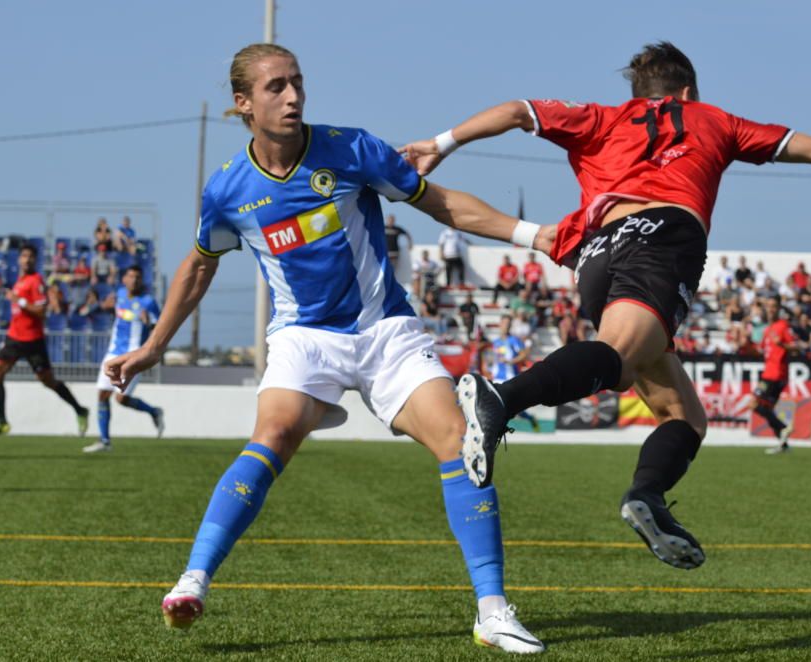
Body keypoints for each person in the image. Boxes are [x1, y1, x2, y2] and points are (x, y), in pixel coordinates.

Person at [401, 40, 811, 570]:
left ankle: (648, 498)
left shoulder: (601, 118)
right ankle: (500, 399)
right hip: (663, 236)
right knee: (616, 355)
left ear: (640, 91)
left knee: (684, 416)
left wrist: (441, 143)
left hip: (593, 253)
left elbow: (518, 111)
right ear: (688, 93)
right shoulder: (715, 120)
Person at [103, 44, 544, 653]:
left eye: (297, 83)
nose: (292, 97)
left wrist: (535, 235)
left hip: (384, 331)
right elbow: (199, 267)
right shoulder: (228, 191)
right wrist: (154, 346)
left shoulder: (352, 148)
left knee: (458, 439)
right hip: (305, 338)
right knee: (275, 433)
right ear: (243, 103)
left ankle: (492, 612)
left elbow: (441, 205)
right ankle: (193, 579)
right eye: (276, 87)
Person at [0, 245, 89, 438]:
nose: (27, 260)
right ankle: (2, 421)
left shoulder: (36, 281)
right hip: (14, 338)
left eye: (31, 256)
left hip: (33, 340)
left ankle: (80, 409)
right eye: (24, 256)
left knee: (48, 381)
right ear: (19, 259)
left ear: (35, 260)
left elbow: (41, 312)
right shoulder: (20, 281)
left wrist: (20, 301)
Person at [83, 266, 164, 454]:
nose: (134, 280)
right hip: (113, 353)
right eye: (130, 276)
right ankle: (104, 441)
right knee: (103, 394)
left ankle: (154, 412)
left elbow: (159, 327)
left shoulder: (148, 301)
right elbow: (108, 308)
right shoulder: (119, 295)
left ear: (141, 280)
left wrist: (149, 322)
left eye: (138, 277)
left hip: (134, 355)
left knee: (121, 398)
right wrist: (105, 305)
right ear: (124, 279)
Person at [750, 296, 798, 454]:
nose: (770, 309)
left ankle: (783, 428)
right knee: (766, 409)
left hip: (775, 374)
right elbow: (762, 349)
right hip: (769, 372)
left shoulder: (783, 326)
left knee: (755, 404)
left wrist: (782, 344)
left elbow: (795, 347)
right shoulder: (768, 329)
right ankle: (783, 445)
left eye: (774, 306)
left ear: (778, 309)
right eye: (768, 306)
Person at [488, 315, 539, 432]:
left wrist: (511, 361)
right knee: (500, 404)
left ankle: (502, 426)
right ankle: (528, 418)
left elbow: (523, 354)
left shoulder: (514, 340)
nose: (506, 326)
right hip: (497, 377)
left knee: (508, 405)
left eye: (508, 324)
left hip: (509, 377)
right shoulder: (496, 342)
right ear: (500, 324)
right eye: (504, 323)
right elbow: (492, 358)